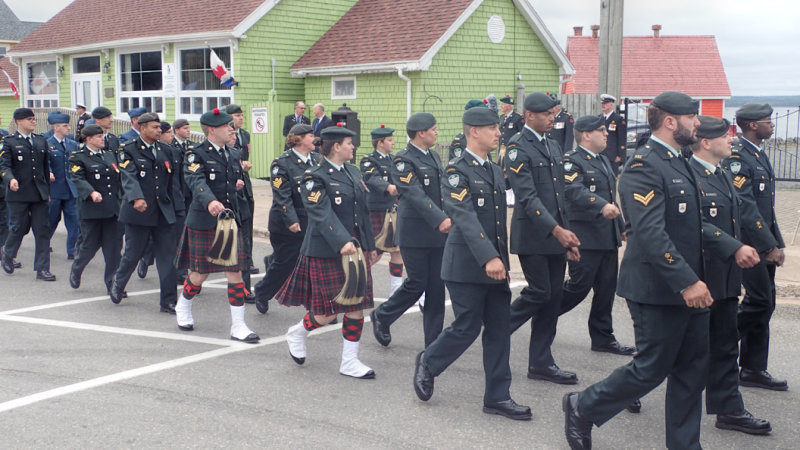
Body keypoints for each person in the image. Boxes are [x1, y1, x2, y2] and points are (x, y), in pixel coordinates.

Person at [563, 91, 760, 450]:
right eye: (692, 117)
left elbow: (694, 223)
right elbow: (651, 234)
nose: (698, 123)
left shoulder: (681, 162)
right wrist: (687, 282)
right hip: (658, 288)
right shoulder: (643, 166)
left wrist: (731, 249)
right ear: (671, 121)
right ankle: (582, 405)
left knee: (691, 371)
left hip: (694, 285)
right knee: (651, 368)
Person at [413, 105, 531, 420]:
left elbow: (494, 223)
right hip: (466, 265)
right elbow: (463, 217)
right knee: (466, 327)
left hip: (495, 266)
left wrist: (500, 259)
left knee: (499, 329)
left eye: (498, 127)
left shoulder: (493, 169)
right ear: (473, 131)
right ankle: (429, 361)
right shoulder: (455, 171)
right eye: (492, 128)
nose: (498, 133)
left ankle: (497, 396)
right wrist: (489, 257)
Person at [689, 115, 771, 435]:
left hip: (723, 276)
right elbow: (693, 225)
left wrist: (763, 245)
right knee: (672, 348)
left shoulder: (722, 173)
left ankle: (729, 409)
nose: (732, 140)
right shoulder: (688, 175)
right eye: (726, 136)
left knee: (725, 345)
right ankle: (616, 394)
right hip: (697, 277)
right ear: (706, 142)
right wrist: (735, 246)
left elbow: (743, 213)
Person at [277, 124, 377, 378]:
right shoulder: (314, 176)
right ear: (336, 146)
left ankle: (349, 361)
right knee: (326, 313)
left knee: (356, 306)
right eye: (349, 143)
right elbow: (320, 213)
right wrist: (342, 241)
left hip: (354, 249)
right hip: (327, 249)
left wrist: (370, 246)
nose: (353, 147)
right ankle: (298, 332)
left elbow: (361, 214)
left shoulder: (353, 172)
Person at [503, 92, 580, 385]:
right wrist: (556, 230)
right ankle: (499, 329)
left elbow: (560, 197)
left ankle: (541, 362)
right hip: (533, 234)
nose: (552, 119)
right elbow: (527, 195)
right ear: (530, 116)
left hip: (555, 236)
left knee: (553, 299)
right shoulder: (517, 147)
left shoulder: (552, 145)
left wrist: (567, 238)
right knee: (540, 292)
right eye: (547, 114)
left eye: (554, 114)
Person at [175, 108, 259, 343]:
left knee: (235, 272)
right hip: (204, 221)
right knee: (199, 274)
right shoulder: (195, 153)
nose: (231, 129)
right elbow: (195, 180)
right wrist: (210, 200)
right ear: (212, 130)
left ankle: (238, 325)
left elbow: (228, 183)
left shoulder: (233, 154)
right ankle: (183, 305)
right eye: (226, 126)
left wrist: (236, 186)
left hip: (229, 222)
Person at [370, 112, 450, 348]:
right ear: (420, 133)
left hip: (438, 232)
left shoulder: (434, 156)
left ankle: (433, 344)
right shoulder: (403, 160)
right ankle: (383, 315)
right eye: (433, 129)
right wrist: (439, 218)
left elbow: (441, 191)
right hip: (415, 233)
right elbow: (414, 193)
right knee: (417, 283)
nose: (437, 132)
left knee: (437, 287)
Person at [724, 103, 788, 391]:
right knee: (759, 302)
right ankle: (712, 345)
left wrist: (776, 243)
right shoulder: (738, 158)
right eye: (767, 121)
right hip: (748, 244)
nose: (771, 125)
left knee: (766, 303)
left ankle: (752, 367)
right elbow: (746, 207)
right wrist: (766, 245)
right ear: (752, 125)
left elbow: (766, 208)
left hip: (763, 242)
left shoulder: (757, 155)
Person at [560, 115, 634, 356]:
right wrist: (601, 205)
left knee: (606, 289)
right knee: (578, 287)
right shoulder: (572, 161)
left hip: (606, 236)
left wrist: (620, 224)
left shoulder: (602, 160)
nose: (606, 134)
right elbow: (573, 189)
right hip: (585, 237)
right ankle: (542, 312)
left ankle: (603, 337)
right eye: (601, 130)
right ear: (586, 134)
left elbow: (611, 197)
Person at [109, 112, 178, 313]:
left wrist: (178, 207)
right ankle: (118, 284)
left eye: (160, 127)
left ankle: (168, 301)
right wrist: (136, 197)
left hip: (163, 211)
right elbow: (128, 176)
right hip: (138, 211)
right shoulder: (127, 149)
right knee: (133, 253)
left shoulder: (165, 149)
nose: (159, 130)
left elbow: (172, 182)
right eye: (155, 127)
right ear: (142, 128)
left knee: (167, 257)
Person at [254, 124, 320, 313]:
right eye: (310, 136)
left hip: (312, 221)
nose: (314, 139)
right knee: (286, 264)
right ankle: (262, 291)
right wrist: (291, 220)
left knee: (313, 263)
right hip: (287, 224)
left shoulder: (316, 159)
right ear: (298, 139)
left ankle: (316, 306)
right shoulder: (281, 163)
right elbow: (282, 195)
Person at [0, 108, 55, 281]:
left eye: (34, 119)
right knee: (19, 228)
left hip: (38, 193)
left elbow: (45, 168)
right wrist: (10, 179)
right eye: (29, 119)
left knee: (42, 230)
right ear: (19, 121)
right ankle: (8, 253)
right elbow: (4, 166)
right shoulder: (9, 142)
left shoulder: (40, 140)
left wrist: (47, 192)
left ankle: (42, 268)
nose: (33, 121)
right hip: (19, 193)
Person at [68, 124, 123, 294]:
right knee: (89, 246)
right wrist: (91, 192)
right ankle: (77, 269)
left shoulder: (109, 155)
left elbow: (118, 179)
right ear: (89, 139)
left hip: (112, 209)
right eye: (99, 137)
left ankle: (113, 284)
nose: (103, 139)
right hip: (92, 209)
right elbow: (77, 178)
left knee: (113, 249)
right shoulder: (78, 157)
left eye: (103, 136)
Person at [360, 124, 403, 294]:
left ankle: (396, 289)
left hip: (394, 210)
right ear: (380, 143)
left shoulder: (395, 160)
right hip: (377, 211)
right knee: (374, 253)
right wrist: (388, 187)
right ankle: (358, 282)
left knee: (397, 250)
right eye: (390, 140)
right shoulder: (368, 160)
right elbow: (371, 178)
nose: (393, 143)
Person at [225, 104, 258, 297]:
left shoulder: (244, 135)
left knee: (245, 238)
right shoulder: (210, 150)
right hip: (224, 199)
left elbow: (245, 154)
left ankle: (244, 286)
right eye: (237, 116)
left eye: (241, 115)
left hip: (243, 190)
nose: (241, 118)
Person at [46, 112, 81, 260]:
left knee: (74, 221)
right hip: (55, 190)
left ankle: (72, 250)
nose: (68, 128)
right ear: (56, 127)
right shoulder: (46, 144)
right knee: (52, 220)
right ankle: (44, 243)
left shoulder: (73, 144)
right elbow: (44, 163)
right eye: (65, 126)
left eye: (68, 125)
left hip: (70, 189)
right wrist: (49, 172)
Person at [599, 94, 626, 175]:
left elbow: (622, 138)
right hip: (601, 153)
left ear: (611, 104)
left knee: (612, 177)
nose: (603, 105)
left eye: (605, 103)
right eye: (602, 104)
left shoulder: (618, 119)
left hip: (612, 155)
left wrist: (620, 155)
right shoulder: (599, 118)